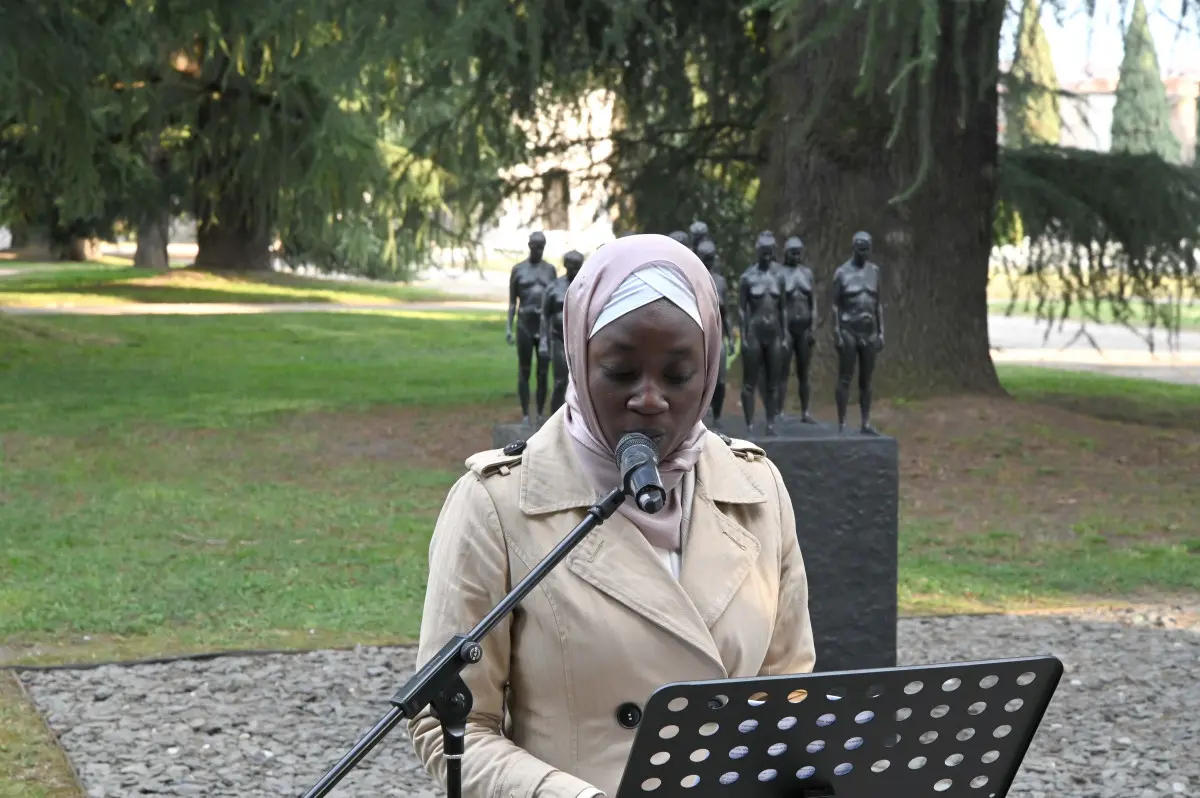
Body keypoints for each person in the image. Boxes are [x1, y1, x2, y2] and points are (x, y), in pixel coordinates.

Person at [407, 234, 816, 798]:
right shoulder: (496, 504)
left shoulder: (757, 491)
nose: (650, 399)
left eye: (678, 375)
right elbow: (449, 726)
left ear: (709, 372)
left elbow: (788, 695)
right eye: (622, 372)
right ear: (579, 360)